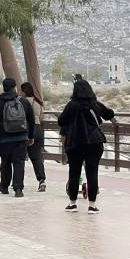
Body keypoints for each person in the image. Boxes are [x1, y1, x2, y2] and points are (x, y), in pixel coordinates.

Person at [57, 78, 115, 214]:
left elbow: (61, 121)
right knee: (92, 173)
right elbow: (109, 114)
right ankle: (92, 206)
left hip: (74, 143)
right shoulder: (94, 104)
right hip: (94, 142)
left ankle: (72, 204)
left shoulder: (71, 105)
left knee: (74, 172)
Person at [0, 78, 35, 198]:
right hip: (21, 138)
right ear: (15, 87)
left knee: (5, 162)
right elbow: (31, 120)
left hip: (4, 139)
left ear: (3, 88)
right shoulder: (23, 102)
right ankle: (18, 189)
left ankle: (4, 186)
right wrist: (30, 136)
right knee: (19, 163)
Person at [20, 82, 47, 192]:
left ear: (24, 91)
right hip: (38, 129)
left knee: (19, 157)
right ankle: (42, 180)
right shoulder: (38, 102)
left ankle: (18, 181)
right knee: (36, 157)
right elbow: (41, 118)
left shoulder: (22, 101)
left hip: (25, 129)